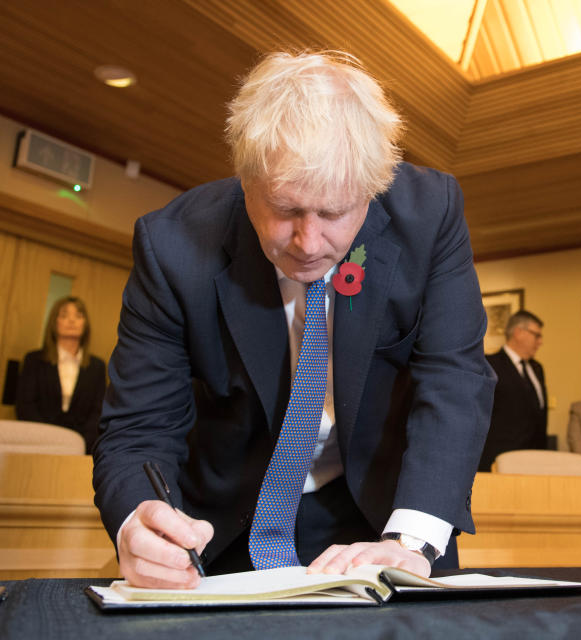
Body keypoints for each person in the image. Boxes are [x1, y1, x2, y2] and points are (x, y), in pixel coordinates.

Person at [92, 50, 496, 589]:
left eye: (333, 214)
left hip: (383, 521)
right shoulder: (172, 246)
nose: (308, 245)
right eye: (284, 210)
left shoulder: (430, 216)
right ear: (246, 178)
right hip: (220, 527)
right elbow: (139, 424)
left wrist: (412, 539)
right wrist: (136, 522)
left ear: (373, 189)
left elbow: (454, 378)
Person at [15, 296, 106, 453]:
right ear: (54, 322)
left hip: (82, 448)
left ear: (85, 324)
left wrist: (80, 443)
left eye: (78, 315)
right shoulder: (34, 360)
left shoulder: (97, 366)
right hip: (37, 445)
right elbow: (25, 407)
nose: (71, 321)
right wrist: (50, 439)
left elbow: (98, 412)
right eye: (64, 315)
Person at [478, 310, 547, 471]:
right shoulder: (490, 365)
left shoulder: (537, 369)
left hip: (535, 460)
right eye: (537, 335)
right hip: (499, 460)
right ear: (518, 332)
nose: (540, 342)